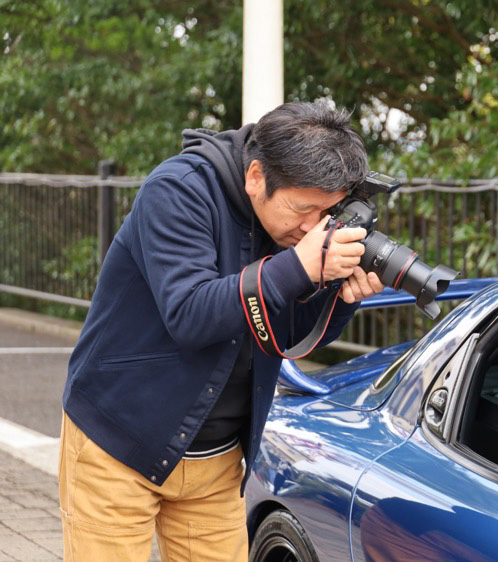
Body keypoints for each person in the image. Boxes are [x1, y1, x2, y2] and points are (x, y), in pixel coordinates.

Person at [59, 102, 384, 561]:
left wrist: (337, 293)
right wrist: (299, 266)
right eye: (302, 209)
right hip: (120, 443)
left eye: (327, 212)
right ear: (256, 177)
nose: (314, 228)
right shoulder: (177, 191)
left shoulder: (295, 231)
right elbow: (191, 315)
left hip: (217, 459)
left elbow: (284, 333)